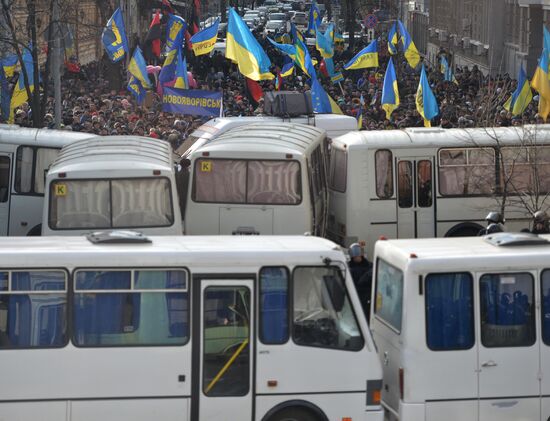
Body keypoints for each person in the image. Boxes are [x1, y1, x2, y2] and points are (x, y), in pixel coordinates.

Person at [348, 242, 372, 321]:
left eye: (358, 253)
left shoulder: (369, 266)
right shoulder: (349, 268)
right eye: (355, 254)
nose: (357, 256)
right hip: (355, 297)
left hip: (368, 298)